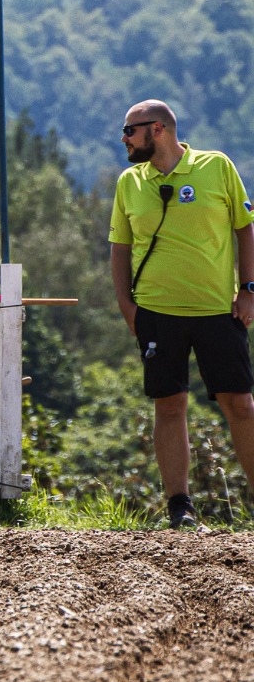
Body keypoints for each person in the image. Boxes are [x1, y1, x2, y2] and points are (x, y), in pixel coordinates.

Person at [108, 99, 254, 531]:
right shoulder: (130, 182)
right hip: (157, 313)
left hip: (218, 310)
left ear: (157, 129)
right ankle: (180, 508)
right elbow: (119, 249)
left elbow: (245, 228)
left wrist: (248, 290)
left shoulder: (216, 166)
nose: (123, 139)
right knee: (169, 405)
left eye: (129, 131)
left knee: (240, 404)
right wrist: (127, 307)